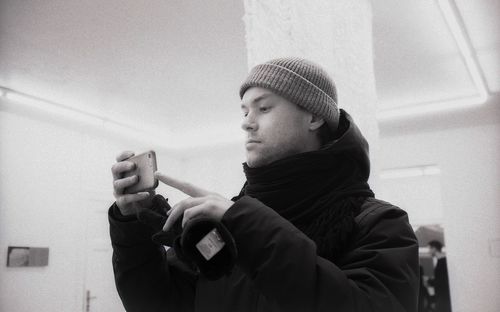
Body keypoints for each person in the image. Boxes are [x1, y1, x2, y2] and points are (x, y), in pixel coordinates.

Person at [109, 57, 419, 311]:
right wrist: (133, 229)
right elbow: (159, 305)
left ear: (313, 117)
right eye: (244, 110)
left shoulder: (380, 223)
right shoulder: (228, 220)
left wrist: (245, 225)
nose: (246, 121)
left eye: (264, 108)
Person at [428, 240, 451, 312]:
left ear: (434, 248)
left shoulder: (443, 262)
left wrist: (430, 281)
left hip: (443, 297)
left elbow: (442, 281)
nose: (428, 251)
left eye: (429, 249)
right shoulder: (441, 261)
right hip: (442, 296)